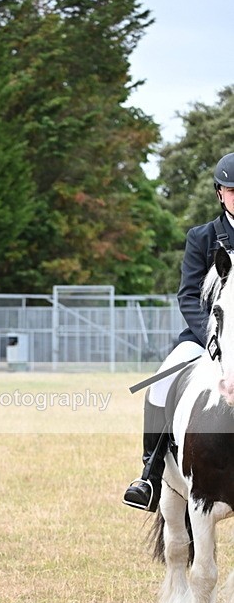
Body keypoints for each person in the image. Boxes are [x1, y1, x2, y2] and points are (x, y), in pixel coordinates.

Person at [123, 152, 234, 511]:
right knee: (161, 381)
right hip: (205, 339)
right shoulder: (202, 237)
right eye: (231, 190)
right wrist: (212, 339)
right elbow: (188, 295)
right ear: (220, 193)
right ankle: (150, 473)